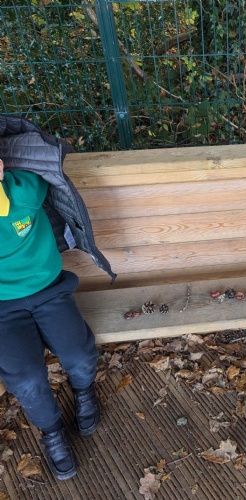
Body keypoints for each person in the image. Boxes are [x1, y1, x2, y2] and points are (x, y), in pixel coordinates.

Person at [0, 114, 115, 480]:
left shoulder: (22, 192)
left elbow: (36, 174)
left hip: (49, 291)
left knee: (79, 354)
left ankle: (83, 392)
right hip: (2, 309)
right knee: (26, 378)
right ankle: (52, 431)